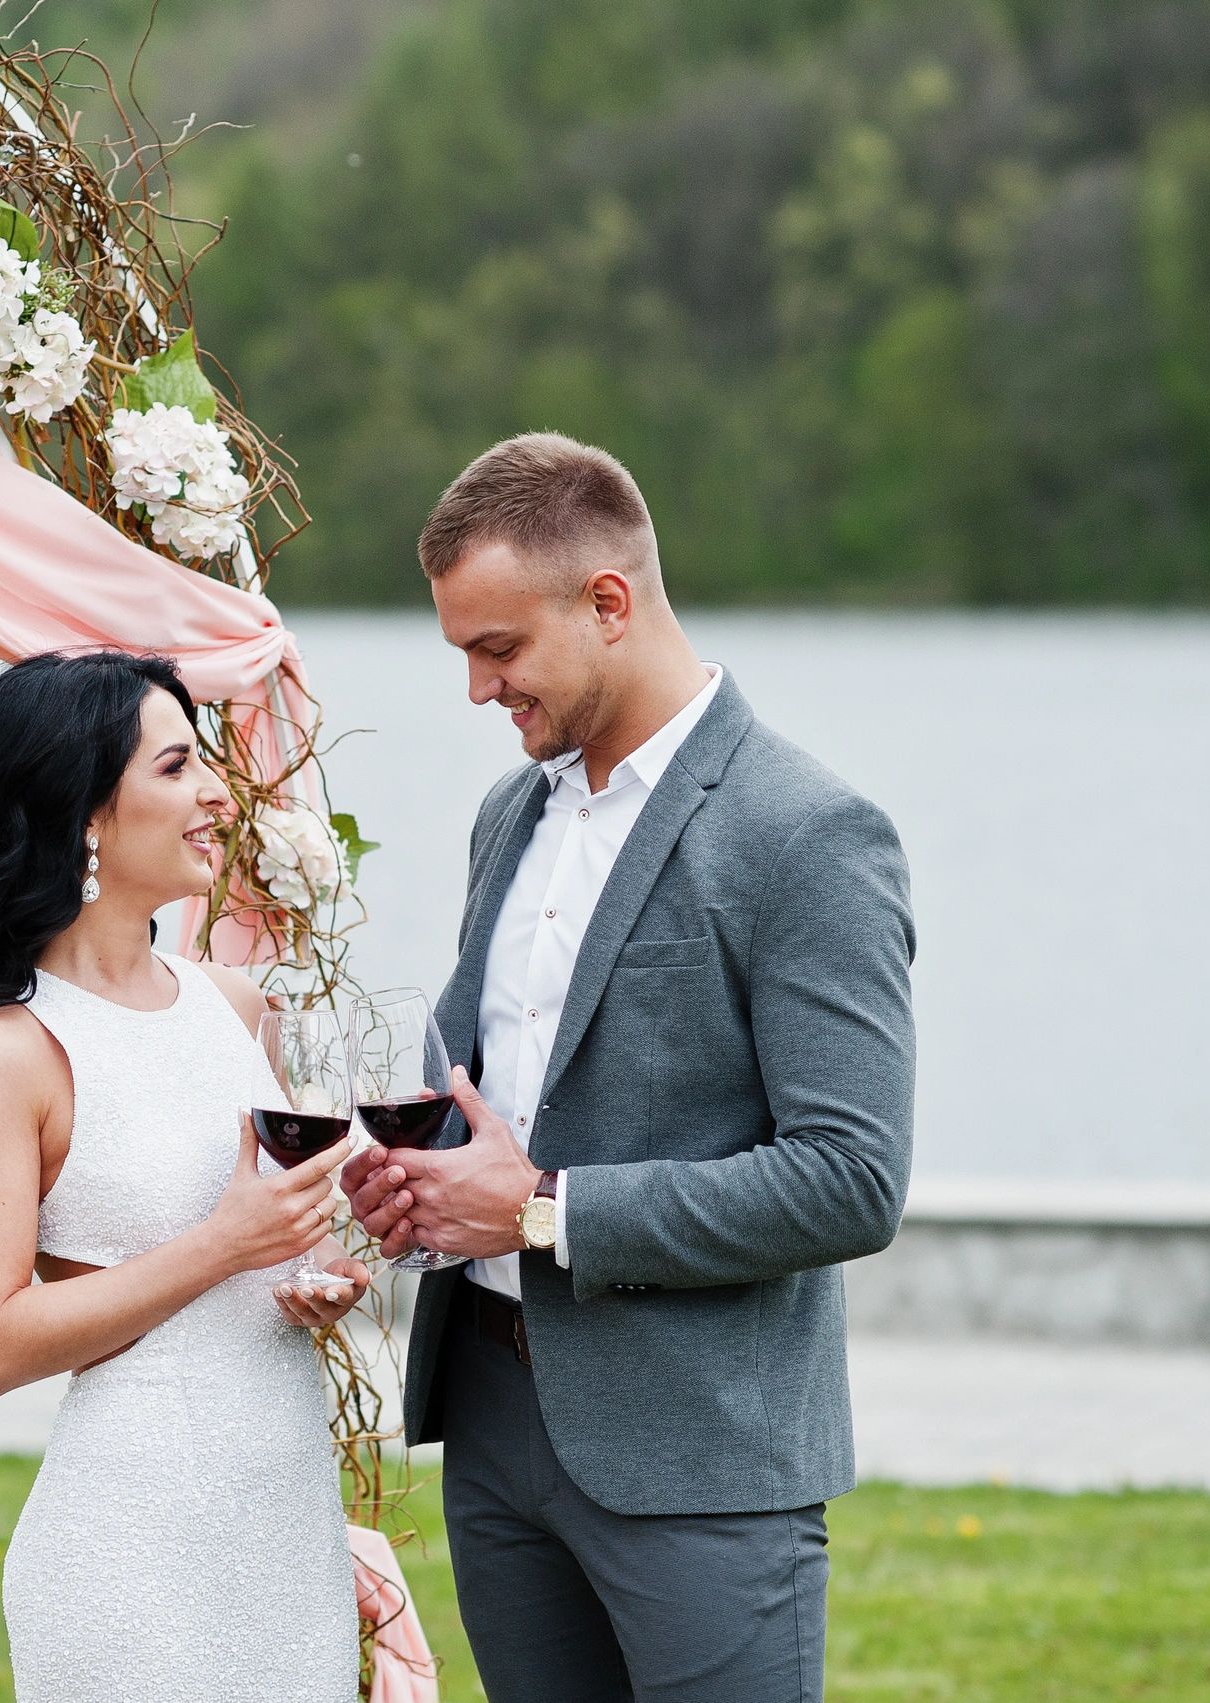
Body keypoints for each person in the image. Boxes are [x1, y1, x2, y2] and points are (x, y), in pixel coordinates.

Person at [344, 433, 917, 1702]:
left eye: (498, 650)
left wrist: (544, 1208)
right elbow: (479, 1092)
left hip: (699, 1456)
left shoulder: (806, 832)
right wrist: (411, 1181)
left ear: (608, 603)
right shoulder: (513, 813)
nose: (479, 691)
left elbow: (851, 1178)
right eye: (462, 655)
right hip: (491, 1421)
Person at [0, 649, 369, 1703]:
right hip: (134, 1548)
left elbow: (277, 1240)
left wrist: (319, 1272)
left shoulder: (238, 1006)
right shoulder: (7, 1051)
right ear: (86, 817)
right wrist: (224, 1244)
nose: (215, 792)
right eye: (174, 767)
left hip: (285, 1524)